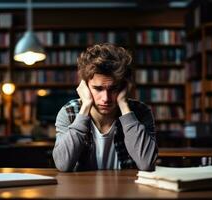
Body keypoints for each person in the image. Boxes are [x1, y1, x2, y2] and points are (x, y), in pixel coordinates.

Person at [52, 43, 157, 172]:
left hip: (128, 190)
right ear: (84, 86)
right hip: (81, 190)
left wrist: (124, 106)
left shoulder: (140, 112)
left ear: (124, 87)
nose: (106, 98)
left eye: (113, 89)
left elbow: (146, 163)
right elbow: (63, 164)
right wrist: (85, 106)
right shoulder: (69, 112)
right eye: (98, 89)